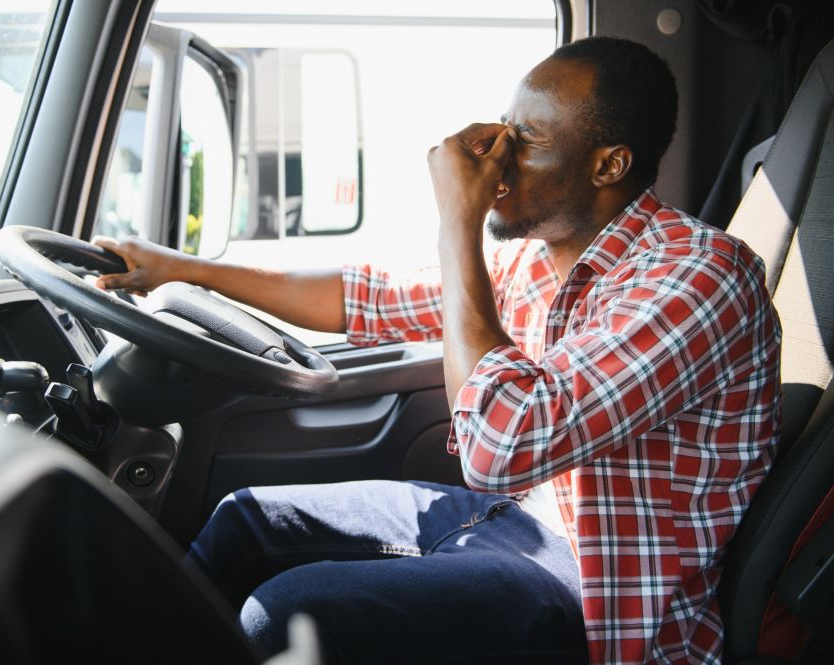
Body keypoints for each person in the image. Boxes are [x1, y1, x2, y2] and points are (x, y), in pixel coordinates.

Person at [94, 37, 781, 665]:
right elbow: (366, 296)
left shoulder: (698, 276)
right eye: (502, 134)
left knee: (291, 611)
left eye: (528, 141)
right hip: (516, 519)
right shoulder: (541, 262)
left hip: (597, 592)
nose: (496, 165)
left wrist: (459, 215)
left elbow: (496, 445)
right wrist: (181, 269)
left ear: (609, 164)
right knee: (245, 518)